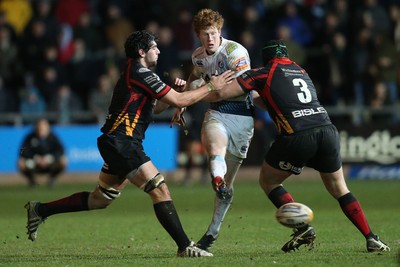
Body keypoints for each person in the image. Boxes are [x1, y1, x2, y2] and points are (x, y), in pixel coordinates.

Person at [24, 30, 233, 257]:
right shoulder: (141, 72)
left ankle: (39, 209)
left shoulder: (137, 74)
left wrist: (178, 94)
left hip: (116, 142)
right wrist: (211, 87)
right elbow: (179, 101)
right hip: (122, 143)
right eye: (154, 47)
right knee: (160, 189)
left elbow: (157, 108)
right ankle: (185, 247)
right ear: (142, 52)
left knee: (100, 199)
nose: (158, 50)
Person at [210, 39, 390, 253]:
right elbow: (275, 98)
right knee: (340, 189)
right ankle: (371, 237)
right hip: (326, 129)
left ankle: (302, 227)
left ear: (265, 59)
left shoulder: (261, 73)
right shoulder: (300, 70)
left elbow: (223, 93)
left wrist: (204, 88)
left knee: (268, 181)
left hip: (298, 134)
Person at [171, 8, 254, 252]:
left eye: (214, 32)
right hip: (217, 111)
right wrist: (184, 102)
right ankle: (216, 177)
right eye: (206, 34)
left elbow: (243, 88)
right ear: (198, 35)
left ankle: (213, 231)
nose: (210, 38)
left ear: (220, 31)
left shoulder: (235, 52)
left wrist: (199, 94)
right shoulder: (198, 56)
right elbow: (194, 75)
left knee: (228, 187)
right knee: (215, 148)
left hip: (241, 115)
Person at [18, 118, 67, 188]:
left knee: (63, 161)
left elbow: (61, 150)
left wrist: (49, 158)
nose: (41, 130)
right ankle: (32, 181)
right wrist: (35, 157)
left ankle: (52, 179)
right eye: (39, 127)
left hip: (49, 162)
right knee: (20, 162)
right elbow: (22, 150)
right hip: (34, 162)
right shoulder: (30, 137)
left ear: (48, 128)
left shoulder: (53, 137)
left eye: (43, 127)